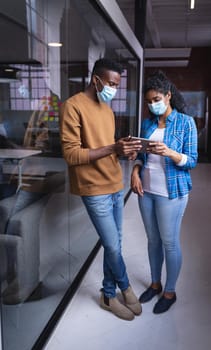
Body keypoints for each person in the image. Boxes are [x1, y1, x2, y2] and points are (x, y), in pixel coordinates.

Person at [59, 58, 142, 321]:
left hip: (115, 184)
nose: (114, 89)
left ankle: (108, 294)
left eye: (117, 85)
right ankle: (125, 286)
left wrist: (122, 152)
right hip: (93, 189)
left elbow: (106, 149)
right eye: (110, 83)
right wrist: (112, 148)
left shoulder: (107, 109)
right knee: (113, 246)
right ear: (95, 80)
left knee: (115, 243)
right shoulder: (73, 106)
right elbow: (71, 155)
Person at [131, 70, 198, 314]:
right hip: (146, 191)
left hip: (172, 193)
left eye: (156, 99)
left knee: (169, 242)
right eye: (149, 101)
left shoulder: (185, 122)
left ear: (168, 96)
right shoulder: (147, 123)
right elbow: (140, 155)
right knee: (153, 241)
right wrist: (135, 172)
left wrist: (169, 152)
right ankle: (155, 283)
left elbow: (192, 161)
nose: (152, 105)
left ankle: (170, 292)